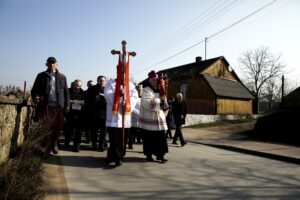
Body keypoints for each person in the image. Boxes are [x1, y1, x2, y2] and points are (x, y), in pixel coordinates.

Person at [31, 56, 70, 156]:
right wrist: (35, 97)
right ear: (46, 64)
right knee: (46, 127)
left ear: (56, 64)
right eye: (50, 62)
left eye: (53, 63)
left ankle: (54, 143)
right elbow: (34, 90)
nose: (52, 64)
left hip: (58, 106)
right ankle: (47, 148)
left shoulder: (62, 76)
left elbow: (66, 93)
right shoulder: (41, 76)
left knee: (58, 126)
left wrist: (67, 105)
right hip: (46, 105)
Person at [104, 75, 138, 166]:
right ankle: (116, 158)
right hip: (114, 116)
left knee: (123, 138)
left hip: (125, 116)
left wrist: (127, 102)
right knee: (114, 139)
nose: (123, 76)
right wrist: (118, 94)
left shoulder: (130, 85)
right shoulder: (110, 84)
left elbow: (135, 97)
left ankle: (119, 156)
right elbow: (107, 96)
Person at [139, 70, 169, 162]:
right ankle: (149, 155)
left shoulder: (161, 90)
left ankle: (161, 155)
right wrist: (160, 100)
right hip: (149, 119)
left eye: (156, 80)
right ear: (149, 80)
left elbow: (165, 104)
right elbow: (146, 103)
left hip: (159, 119)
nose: (155, 81)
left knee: (161, 138)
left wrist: (165, 105)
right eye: (153, 80)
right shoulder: (146, 90)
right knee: (149, 139)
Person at [86, 76, 107, 151]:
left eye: (103, 80)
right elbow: (87, 100)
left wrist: (103, 99)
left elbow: (110, 101)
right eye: (100, 80)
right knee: (94, 131)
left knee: (103, 132)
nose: (102, 82)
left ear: (105, 81)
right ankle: (94, 145)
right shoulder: (91, 88)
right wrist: (94, 98)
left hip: (104, 114)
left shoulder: (107, 89)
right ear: (97, 81)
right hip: (94, 113)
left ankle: (101, 146)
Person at [65, 79, 84, 152]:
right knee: (69, 130)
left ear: (80, 86)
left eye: (78, 86)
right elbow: (64, 99)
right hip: (70, 113)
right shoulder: (68, 91)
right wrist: (69, 102)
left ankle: (76, 146)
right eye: (75, 85)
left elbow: (87, 101)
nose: (77, 87)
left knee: (78, 131)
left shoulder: (83, 93)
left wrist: (83, 104)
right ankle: (67, 143)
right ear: (73, 85)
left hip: (80, 114)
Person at [128, 84, 143, 149]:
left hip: (142, 118)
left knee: (143, 133)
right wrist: (138, 114)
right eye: (138, 89)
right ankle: (130, 144)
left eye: (141, 89)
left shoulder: (144, 98)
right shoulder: (133, 98)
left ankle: (142, 143)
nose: (139, 91)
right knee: (132, 133)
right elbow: (131, 108)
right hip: (134, 118)